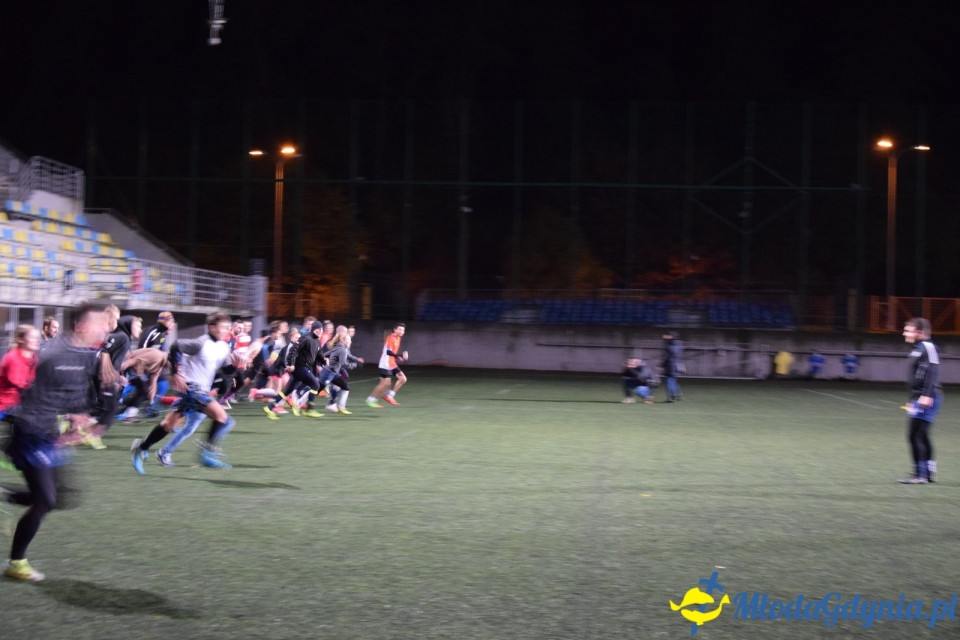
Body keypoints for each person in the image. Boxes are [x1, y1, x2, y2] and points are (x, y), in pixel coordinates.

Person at [1, 302, 111, 581]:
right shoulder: (51, 354)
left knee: (64, 496)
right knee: (45, 501)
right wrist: (57, 432)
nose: (105, 328)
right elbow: (29, 397)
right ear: (83, 326)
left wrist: (78, 416)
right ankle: (17, 563)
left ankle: (4, 494)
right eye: (100, 323)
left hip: (48, 434)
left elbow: (71, 393)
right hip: (30, 433)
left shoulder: (85, 355)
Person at [129, 312, 243, 473]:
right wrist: (175, 373)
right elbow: (176, 346)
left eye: (227, 327)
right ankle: (206, 454)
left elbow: (225, 371)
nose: (226, 330)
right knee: (222, 417)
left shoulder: (224, 347)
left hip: (201, 390)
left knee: (169, 424)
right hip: (190, 388)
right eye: (223, 327)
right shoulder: (200, 343)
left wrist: (235, 368)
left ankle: (141, 447)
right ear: (212, 327)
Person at [899, 317, 943, 485]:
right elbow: (916, 377)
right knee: (921, 434)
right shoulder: (917, 349)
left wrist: (927, 394)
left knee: (915, 434)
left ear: (919, 332)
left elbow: (933, 371)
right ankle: (928, 473)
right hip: (919, 398)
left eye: (908, 330)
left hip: (927, 397)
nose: (904, 333)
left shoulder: (928, 347)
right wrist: (913, 399)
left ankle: (920, 475)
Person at [264, 320, 326, 420]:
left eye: (321, 329)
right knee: (316, 385)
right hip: (301, 368)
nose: (320, 331)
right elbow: (293, 350)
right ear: (313, 329)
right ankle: (310, 409)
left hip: (303, 370)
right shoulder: (305, 338)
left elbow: (319, 356)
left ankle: (270, 408)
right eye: (318, 329)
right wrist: (291, 364)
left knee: (286, 391)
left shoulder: (317, 342)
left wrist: (323, 361)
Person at [0, 325, 41, 419]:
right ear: (21, 340)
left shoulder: (34, 358)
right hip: (5, 405)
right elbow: (19, 384)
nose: (37, 340)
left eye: (38, 338)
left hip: (20, 403)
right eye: (32, 337)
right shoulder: (13, 357)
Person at [366, 323, 408, 408]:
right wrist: (398, 356)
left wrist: (398, 356)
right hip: (385, 363)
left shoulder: (398, 338)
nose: (401, 331)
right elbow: (388, 352)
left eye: (403, 330)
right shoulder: (391, 337)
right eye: (399, 329)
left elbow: (393, 352)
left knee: (403, 379)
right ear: (395, 329)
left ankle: (389, 395)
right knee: (384, 383)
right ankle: (370, 400)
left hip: (392, 363)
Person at [660, 331, 684, 402]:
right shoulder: (680, 344)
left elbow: (666, 357)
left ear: (670, 336)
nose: (664, 337)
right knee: (673, 381)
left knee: (669, 382)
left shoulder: (669, 345)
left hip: (670, 365)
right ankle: (677, 395)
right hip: (677, 365)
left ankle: (672, 397)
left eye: (666, 335)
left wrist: (662, 365)